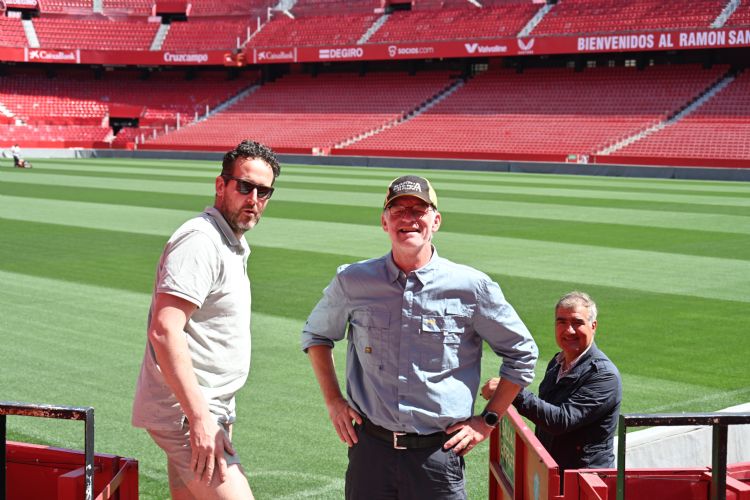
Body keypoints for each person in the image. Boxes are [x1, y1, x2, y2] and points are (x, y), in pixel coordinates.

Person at [301, 175, 538, 499]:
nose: (408, 218)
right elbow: (316, 334)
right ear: (384, 222)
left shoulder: (471, 287)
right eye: (397, 210)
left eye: (419, 210)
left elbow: (522, 353)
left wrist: (488, 421)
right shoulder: (353, 280)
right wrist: (333, 401)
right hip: (370, 451)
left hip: (437, 458)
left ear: (435, 221)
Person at [132, 139, 280, 500]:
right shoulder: (201, 241)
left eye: (264, 191)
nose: (254, 199)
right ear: (221, 185)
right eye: (245, 186)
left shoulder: (229, 241)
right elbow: (165, 330)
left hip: (203, 407)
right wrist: (199, 417)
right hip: (188, 412)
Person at [481, 291, 622, 471]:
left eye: (577, 322)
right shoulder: (557, 362)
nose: (569, 330)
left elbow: (561, 421)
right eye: (561, 322)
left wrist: (511, 390)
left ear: (593, 326)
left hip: (585, 481)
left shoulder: (604, 376)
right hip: (552, 472)